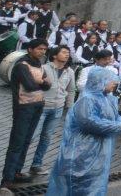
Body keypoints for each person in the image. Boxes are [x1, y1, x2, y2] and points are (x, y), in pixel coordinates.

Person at [46, 67, 121, 196]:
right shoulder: (87, 99)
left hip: (98, 151)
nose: (115, 83)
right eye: (111, 81)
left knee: (94, 184)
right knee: (79, 185)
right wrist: (119, 127)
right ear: (101, 81)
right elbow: (89, 123)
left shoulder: (108, 98)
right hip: (82, 151)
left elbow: (115, 116)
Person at [0, 38, 51, 189]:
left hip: (37, 105)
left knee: (27, 140)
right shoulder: (22, 65)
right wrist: (42, 82)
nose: (42, 52)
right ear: (30, 49)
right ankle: (7, 178)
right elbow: (29, 86)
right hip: (23, 107)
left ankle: (17, 172)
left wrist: (41, 82)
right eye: (40, 49)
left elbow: (48, 86)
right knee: (17, 142)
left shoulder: (39, 64)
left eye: (44, 49)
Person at [29, 45, 77, 178]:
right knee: (32, 136)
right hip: (42, 107)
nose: (67, 55)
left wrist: (70, 108)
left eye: (68, 53)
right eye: (64, 52)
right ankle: (18, 165)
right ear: (55, 55)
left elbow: (72, 90)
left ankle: (36, 165)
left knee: (46, 137)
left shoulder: (70, 72)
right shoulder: (44, 68)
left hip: (57, 109)